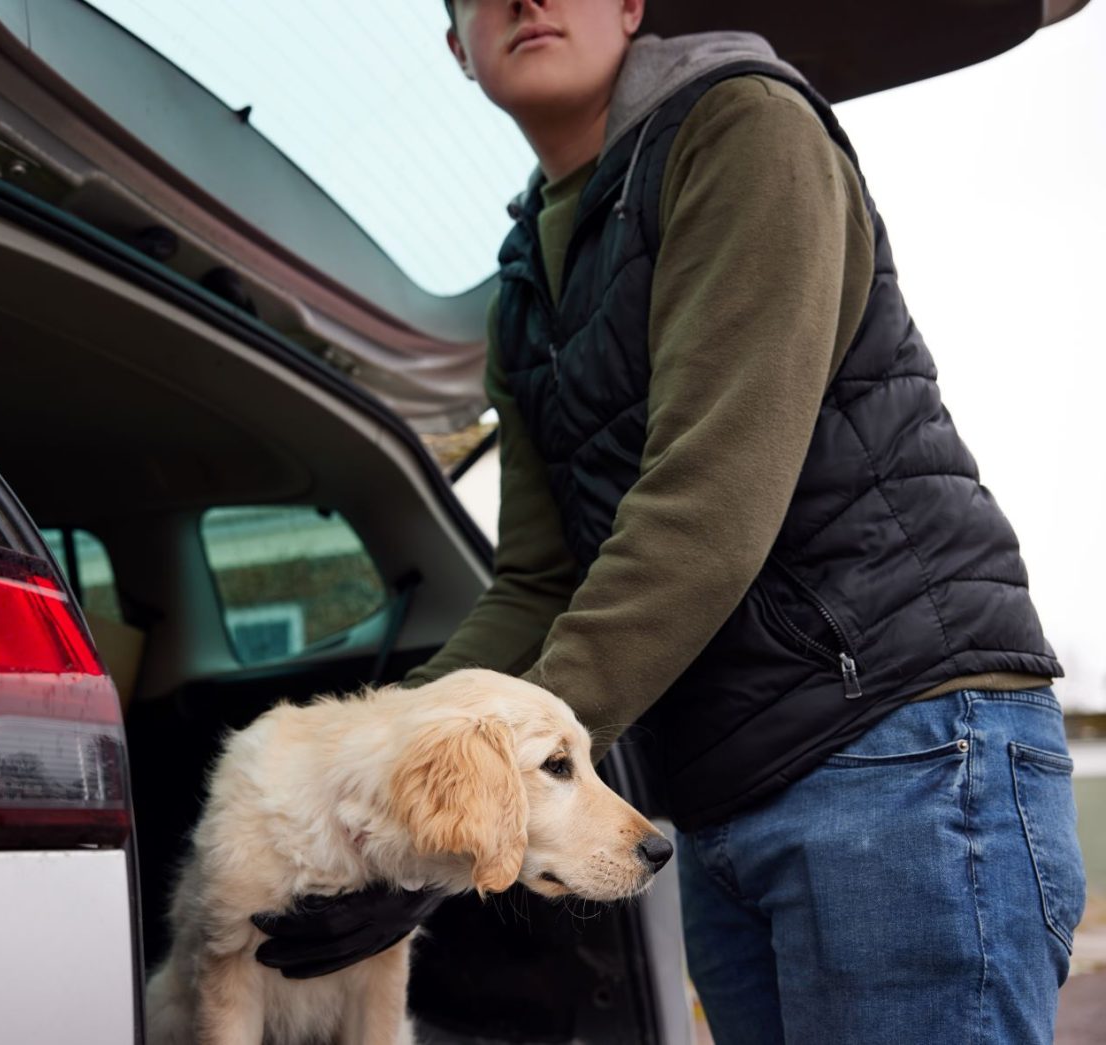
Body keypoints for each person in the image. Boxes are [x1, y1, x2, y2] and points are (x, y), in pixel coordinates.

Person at [251, 1, 1088, 1041]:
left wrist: (483, 784)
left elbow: (707, 506)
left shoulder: (740, 125)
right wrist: (373, 772)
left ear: (632, 4)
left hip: (897, 746)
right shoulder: (522, 289)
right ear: (455, 48)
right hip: (720, 786)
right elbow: (534, 583)